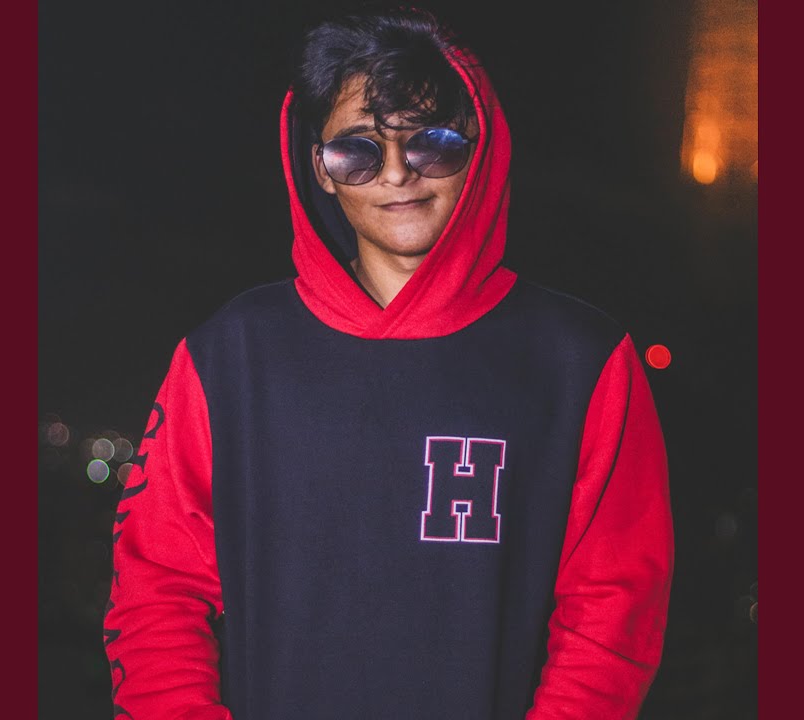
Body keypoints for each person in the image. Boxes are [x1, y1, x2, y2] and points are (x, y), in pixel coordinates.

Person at [104, 7, 673, 719]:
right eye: (359, 151)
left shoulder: (580, 360)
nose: (398, 172)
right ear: (320, 167)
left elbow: (612, 613)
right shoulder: (230, 355)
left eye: (431, 142)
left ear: (479, 146)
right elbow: (158, 588)